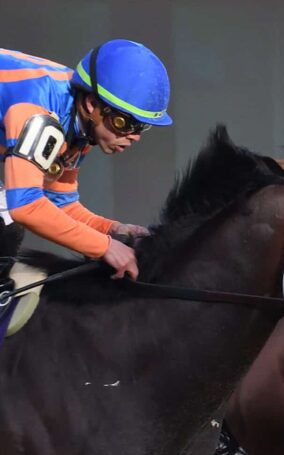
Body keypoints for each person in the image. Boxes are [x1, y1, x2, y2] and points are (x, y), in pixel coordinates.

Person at [0, 40, 172, 291]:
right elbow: (26, 206)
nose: (134, 136)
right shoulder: (40, 111)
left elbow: (61, 203)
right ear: (92, 104)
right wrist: (105, 247)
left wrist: (111, 230)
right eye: (124, 123)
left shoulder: (80, 126)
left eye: (141, 127)